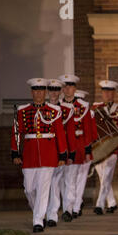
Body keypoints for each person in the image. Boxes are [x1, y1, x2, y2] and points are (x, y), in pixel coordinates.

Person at [11, 78, 67, 232]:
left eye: (41, 90)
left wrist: (62, 155)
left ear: (45, 92)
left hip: (49, 154)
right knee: (29, 189)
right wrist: (15, 152)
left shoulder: (54, 111)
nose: (39, 93)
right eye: (36, 90)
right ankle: (38, 212)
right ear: (32, 92)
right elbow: (16, 133)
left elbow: (60, 134)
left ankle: (38, 221)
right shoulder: (23, 111)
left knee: (43, 189)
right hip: (29, 155)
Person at [58, 74, 95, 220]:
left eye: (71, 86)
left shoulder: (83, 106)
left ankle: (71, 208)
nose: (68, 89)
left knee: (73, 179)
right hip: (62, 146)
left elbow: (87, 129)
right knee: (62, 180)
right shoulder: (57, 106)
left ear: (75, 88)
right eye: (65, 86)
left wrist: (87, 150)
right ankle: (70, 205)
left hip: (78, 144)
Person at [91, 80, 118, 214]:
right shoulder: (95, 107)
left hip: (113, 148)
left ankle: (99, 205)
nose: (107, 94)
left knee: (106, 176)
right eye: (105, 91)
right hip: (99, 148)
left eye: (110, 91)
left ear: (114, 93)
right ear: (102, 93)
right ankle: (112, 203)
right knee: (104, 178)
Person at [46, 79, 76, 227]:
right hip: (50, 151)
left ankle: (68, 209)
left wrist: (72, 152)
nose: (53, 93)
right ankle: (52, 215)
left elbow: (70, 132)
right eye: (51, 90)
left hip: (65, 149)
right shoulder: (42, 109)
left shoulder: (67, 108)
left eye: (56, 90)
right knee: (53, 184)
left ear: (60, 91)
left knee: (68, 181)